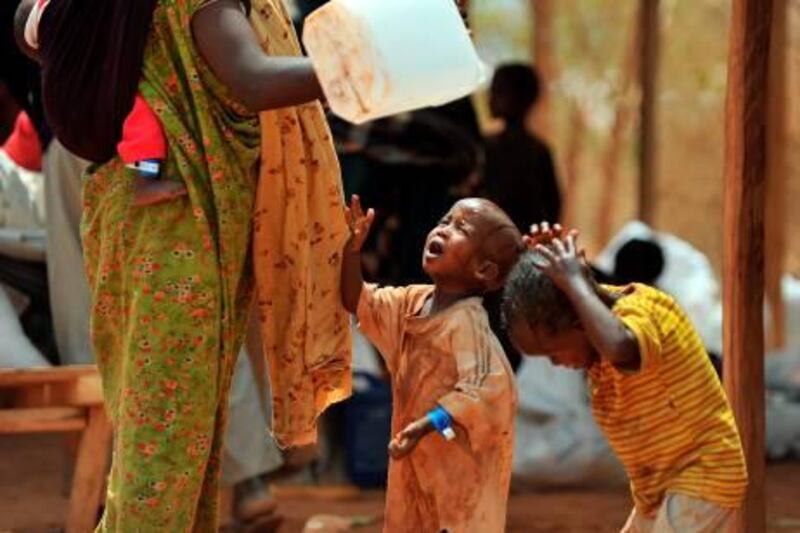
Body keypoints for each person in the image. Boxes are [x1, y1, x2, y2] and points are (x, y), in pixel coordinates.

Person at [15, 0, 343, 530]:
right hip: (173, 227)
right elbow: (253, 81)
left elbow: (25, 25)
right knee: (165, 442)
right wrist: (375, 61)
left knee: (170, 432)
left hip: (133, 209)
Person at [502, 226, 747, 532]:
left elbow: (620, 347)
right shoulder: (597, 346)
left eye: (555, 353)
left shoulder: (641, 311)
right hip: (658, 489)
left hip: (703, 475)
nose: (556, 364)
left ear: (581, 323)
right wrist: (544, 265)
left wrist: (574, 282)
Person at [341, 195, 520, 532]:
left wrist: (429, 423)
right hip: (415, 463)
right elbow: (359, 301)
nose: (444, 229)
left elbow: (488, 390)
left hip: (459, 475)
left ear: (484, 269)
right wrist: (352, 250)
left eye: (460, 229)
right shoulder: (412, 302)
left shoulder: (468, 324)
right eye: (444, 221)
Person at [483, 63, 561, 233]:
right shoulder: (538, 151)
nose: (489, 97)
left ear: (521, 97)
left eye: (498, 91)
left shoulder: (536, 154)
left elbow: (550, 211)